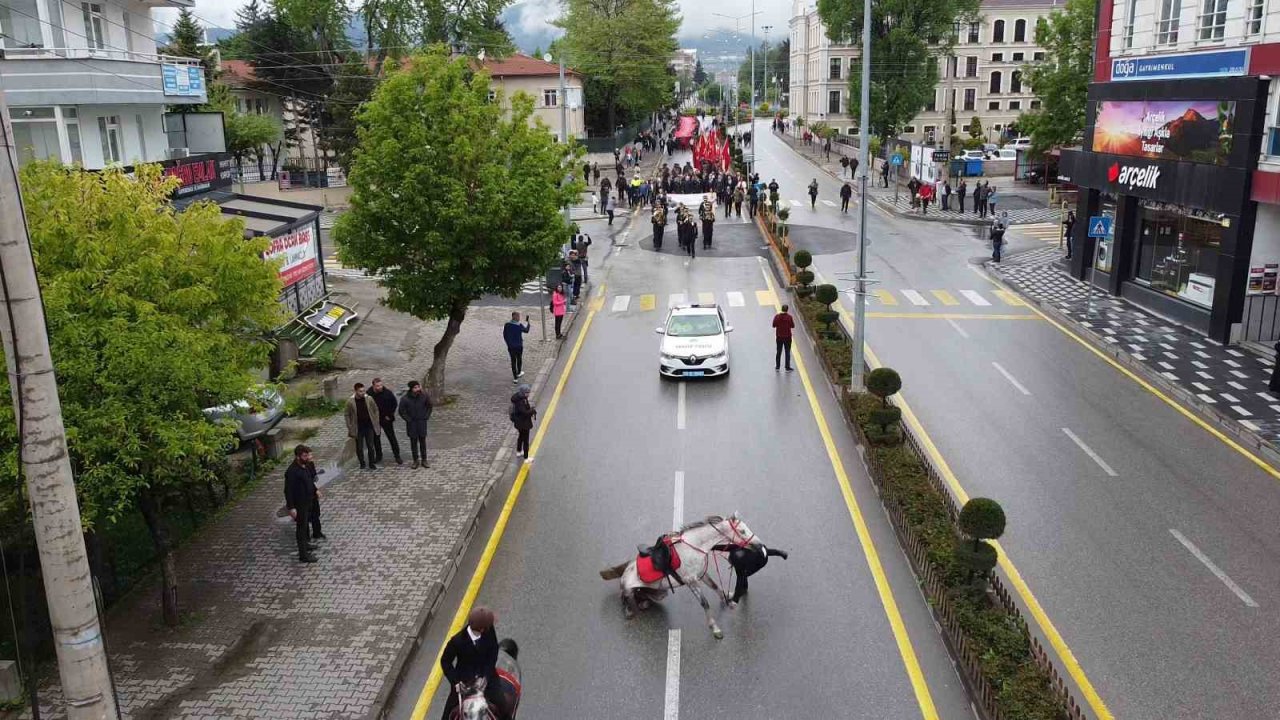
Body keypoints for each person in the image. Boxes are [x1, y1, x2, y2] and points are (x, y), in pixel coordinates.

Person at [440, 607, 501, 720]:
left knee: (503, 705)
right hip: (464, 683)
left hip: (487, 678)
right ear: (482, 629)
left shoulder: (489, 631)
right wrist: (456, 682)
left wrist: (486, 676)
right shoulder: (457, 641)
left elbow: (493, 652)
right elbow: (445, 661)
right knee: (446, 716)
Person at [710, 542, 788, 603]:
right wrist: (713, 547)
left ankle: (743, 590)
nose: (730, 563)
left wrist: (735, 601)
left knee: (743, 574)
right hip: (760, 548)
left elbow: (739, 582)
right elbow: (727, 547)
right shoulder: (737, 547)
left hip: (761, 561)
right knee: (744, 573)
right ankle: (780, 552)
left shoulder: (743, 562)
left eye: (731, 562)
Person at [284, 444, 323, 564]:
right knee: (301, 529)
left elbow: (309, 481)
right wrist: (291, 507)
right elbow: (288, 490)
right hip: (299, 504)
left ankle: (306, 545)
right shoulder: (292, 471)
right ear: (298, 456)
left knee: (305, 525)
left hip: (308, 501)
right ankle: (303, 555)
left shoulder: (305, 466)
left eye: (307, 455)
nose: (307, 457)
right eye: (304, 456)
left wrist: (315, 490)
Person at [345, 383, 380, 470]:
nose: (363, 393)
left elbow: (375, 409)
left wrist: (376, 420)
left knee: (370, 446)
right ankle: (362, 463)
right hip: (358, 428)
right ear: (356, 391)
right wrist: (349, 426)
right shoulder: (350, 402)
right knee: (359, 447)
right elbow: (347, 414)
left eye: (364, 391)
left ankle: (371, 463)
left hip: (369, 426)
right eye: (360, 391)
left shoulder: (369, 399)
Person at [398, 381, 432, 469]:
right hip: (412, 424)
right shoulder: (405, 399)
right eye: (415, 388)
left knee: (422, 442)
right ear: (411, 389)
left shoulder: (424, 396)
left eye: (418, 387)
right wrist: (408, 420)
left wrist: (426, 416)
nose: (417, 389)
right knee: (413, 443)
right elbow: (401, 411)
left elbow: (429, 406)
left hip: (421, 422)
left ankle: (424, 460)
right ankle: (415, 460)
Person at [369, 378, 402, 466]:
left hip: (386, 418)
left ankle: (397, 455)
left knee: (391, 437)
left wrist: (389, 415)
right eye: (377, 386)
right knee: (376, 438)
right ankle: (379, 456)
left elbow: (394, 404)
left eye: (381, 385)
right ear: (373, 386)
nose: (380, 387)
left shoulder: (387, 393)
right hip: (375, 419)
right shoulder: (369, 394)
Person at [510, 384, 536, 460]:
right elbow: (524, 413)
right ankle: (526, 457)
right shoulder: (521, 401)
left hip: (519, 423)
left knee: (521, 436)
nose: (528, 394)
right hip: (523, 423)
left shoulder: (519, 398)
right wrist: (532, 410)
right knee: (525, 440)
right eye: (527, 392)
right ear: (523, 392)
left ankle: (519, 451)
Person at [503, 311, 531, 383]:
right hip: (519, 346)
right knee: (519, 359)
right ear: (514, 317)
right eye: (518, 316)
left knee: (513, 361)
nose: (519, 318)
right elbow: (526, 330)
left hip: (511, 347)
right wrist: (528, 323)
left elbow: (504, 335)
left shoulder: (507, 325)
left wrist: (508, 344)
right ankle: (519, 372)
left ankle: (515, 378)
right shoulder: (519, 325)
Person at [772, 305, 795, 372]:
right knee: (787, 352)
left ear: (781, 309)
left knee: (779, 351)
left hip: (779, 337)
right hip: (787, 337)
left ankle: (777, 367)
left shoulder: (777, 317)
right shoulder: (789, 317)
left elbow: (773, 325)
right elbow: (792, 326)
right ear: (787, 310)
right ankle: (787, 367)